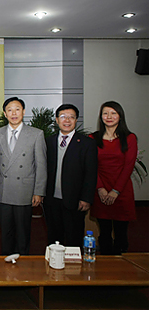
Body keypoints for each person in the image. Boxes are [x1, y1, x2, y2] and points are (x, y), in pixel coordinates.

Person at [0, 97, 47, 255]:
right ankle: (6, 263)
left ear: (24, 112)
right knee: (5, 232)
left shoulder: (36, 134)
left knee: (23, 232)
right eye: (10, 110)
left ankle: (23, 267)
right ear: (5, 114)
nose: (14, 113)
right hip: (3, 190)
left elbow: (41, 165)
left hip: (25, 191)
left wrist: (38, 191)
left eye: (17, 109)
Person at [44, 104, 98, 247]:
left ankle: (74, 268)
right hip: (52, 200)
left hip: (75, 201)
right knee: (54, 238)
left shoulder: (87, 144)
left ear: (76, 120)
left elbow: (91, 173)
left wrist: (86, 198)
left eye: (71, 117)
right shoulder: (48, 142)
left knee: (73, 238)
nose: (67, 120)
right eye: (63, 117)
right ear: (56, 120)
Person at [90, 101, 137, 254]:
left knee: (121, 233)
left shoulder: (129, 138)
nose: (109, 117)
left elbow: (128, 166)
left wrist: (116, 191)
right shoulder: (93, 138)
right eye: (105, 113)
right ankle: (104, 265)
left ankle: (121, 264)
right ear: (101, 116)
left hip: (122, 191)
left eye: (113, 113)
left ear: (120, 116)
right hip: (100, 191)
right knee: (104, 232)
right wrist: (100, 189)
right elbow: (91, 166)